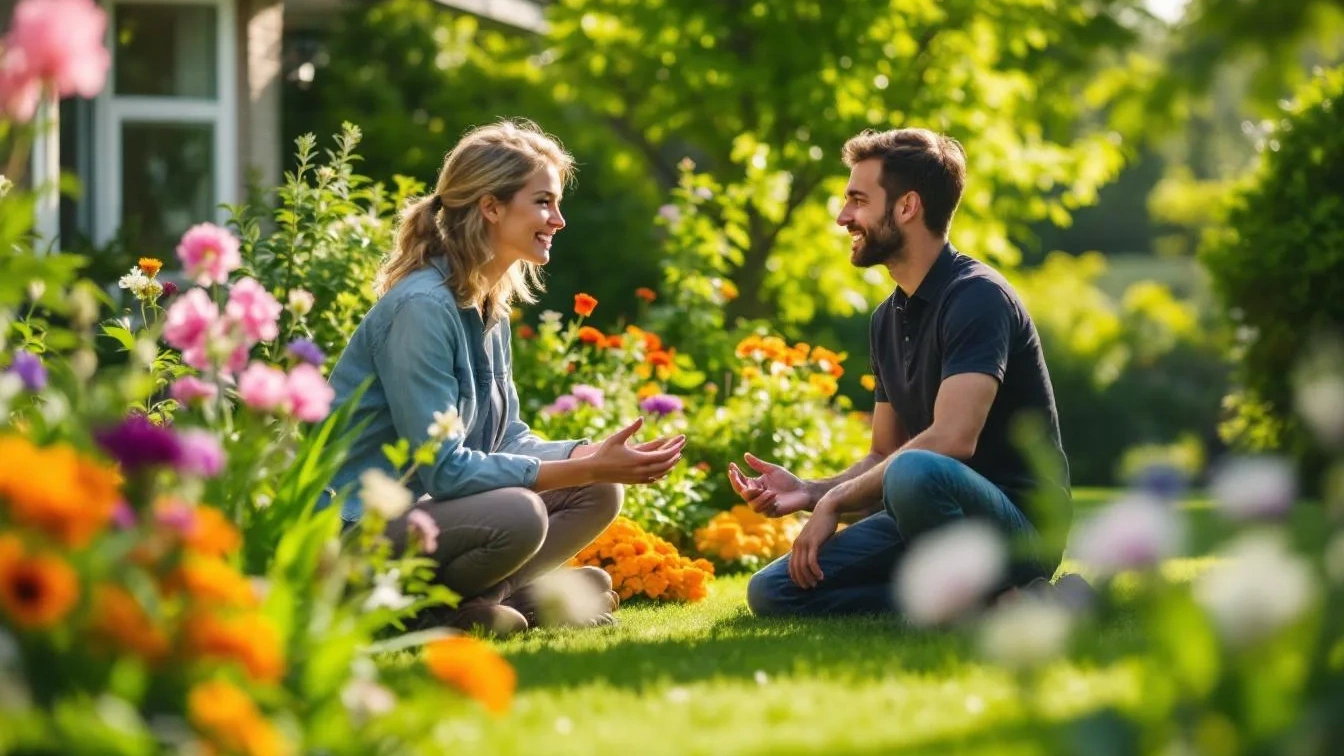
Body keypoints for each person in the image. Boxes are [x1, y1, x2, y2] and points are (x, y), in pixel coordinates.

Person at [323, 119, 686, 636]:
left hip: (428, 517)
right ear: (490, 207)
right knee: (520, 515)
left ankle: (476, 606)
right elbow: (445, 470)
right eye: (543, 202)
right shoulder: (422, 308)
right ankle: (426, 614)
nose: (558, 220)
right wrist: (583, 468)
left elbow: (506, 437)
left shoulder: (486, 303)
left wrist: (592, 459)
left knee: (601, 490)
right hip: (361, 530)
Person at [733, 127, 1071, 618]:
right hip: (925, 515)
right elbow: (883, 454)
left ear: (907, 207)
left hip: (1019, 530)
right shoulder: (886, 319)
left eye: (857, 200)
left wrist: (835, 504)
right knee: (774, 592)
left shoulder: (978, 297)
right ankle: (993, 604)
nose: (842, 216)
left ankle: (1007, 587)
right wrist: (810, 492)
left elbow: (952, 440)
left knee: (916, 470)